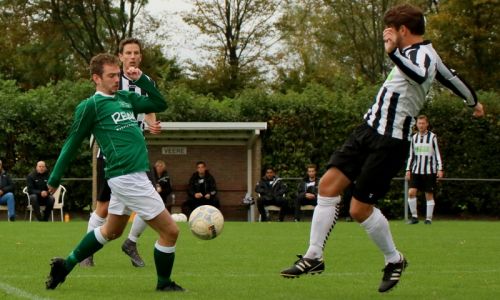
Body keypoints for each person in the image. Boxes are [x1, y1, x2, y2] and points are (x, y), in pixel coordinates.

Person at [280, 3, 484, 293]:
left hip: (391, 142)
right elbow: (453, 80)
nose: (387, 35)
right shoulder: (416, 55)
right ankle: (314, 256)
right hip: (367, 130)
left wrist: (393, 53)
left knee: (360, 209)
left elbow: (419, 74)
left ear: (403, 30)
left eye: (391, 30)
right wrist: (473, 102)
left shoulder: (423, 55)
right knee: (327, 186)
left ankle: (394, 259)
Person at [45, 53, 184, 292]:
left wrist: (141, 80)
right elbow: (72, 142)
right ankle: (164, 284)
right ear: (96, 78)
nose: (116, 80)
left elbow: (160, 104)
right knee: (170, 231)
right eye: (111, 75)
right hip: (127, 177)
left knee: (112, 231)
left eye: (118, 75)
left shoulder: (126, 98)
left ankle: (64, 266)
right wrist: (54, 178)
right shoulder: (91, 106)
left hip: (131, 175)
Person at [80, 37, 161, 268]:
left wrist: (152, 124)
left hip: (136, 153)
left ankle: (131, 242)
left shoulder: (146, 82)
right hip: (111, 152)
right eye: (128, 53)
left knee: (153, 198)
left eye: (136, 52)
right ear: (121, 56)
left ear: (140, 56)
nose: (133, 56)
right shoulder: (113, 80)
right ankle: (87, 252)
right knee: (103, 207)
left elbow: (150, 111)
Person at [405, 115, 444, 225]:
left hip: (429, 171)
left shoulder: (432, 137)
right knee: (411, 192)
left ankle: (428, 219)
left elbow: (437, 154)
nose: (421, 125)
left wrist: (440, 168)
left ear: (427, 124)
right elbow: (411, 155)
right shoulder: (414, 138)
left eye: (423, 123)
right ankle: (414, 217)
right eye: (419, 123)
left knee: (429, 194)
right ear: (416, 124)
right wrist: (408, 169)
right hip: (416, 171)